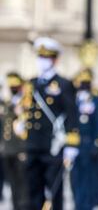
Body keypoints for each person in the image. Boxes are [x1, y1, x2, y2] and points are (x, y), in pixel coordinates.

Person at [23, 37, 80, 210]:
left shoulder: (64, 84)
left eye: (46, 57)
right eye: (40, 57)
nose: (42, 61)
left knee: (54, 191)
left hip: (52, 146)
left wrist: (71, 144)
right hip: (33, 145)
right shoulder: (31, 83)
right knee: (33, 189)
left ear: (55, 59)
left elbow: (72, 114)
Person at [70, 68, 98, 210]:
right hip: (74, 144)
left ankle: (86, 206)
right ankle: (77, 204)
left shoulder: (96, 100)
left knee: (87, 178)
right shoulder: (74, 99)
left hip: (88, 143)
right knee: (75, 179)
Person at [0, 72, 29, 210]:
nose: (13, 89)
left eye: (15, 86)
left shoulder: (25, 105)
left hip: (21, 150)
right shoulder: (7, 104)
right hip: (8, 150)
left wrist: (20, 112)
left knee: (22, 184)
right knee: (12, 184)